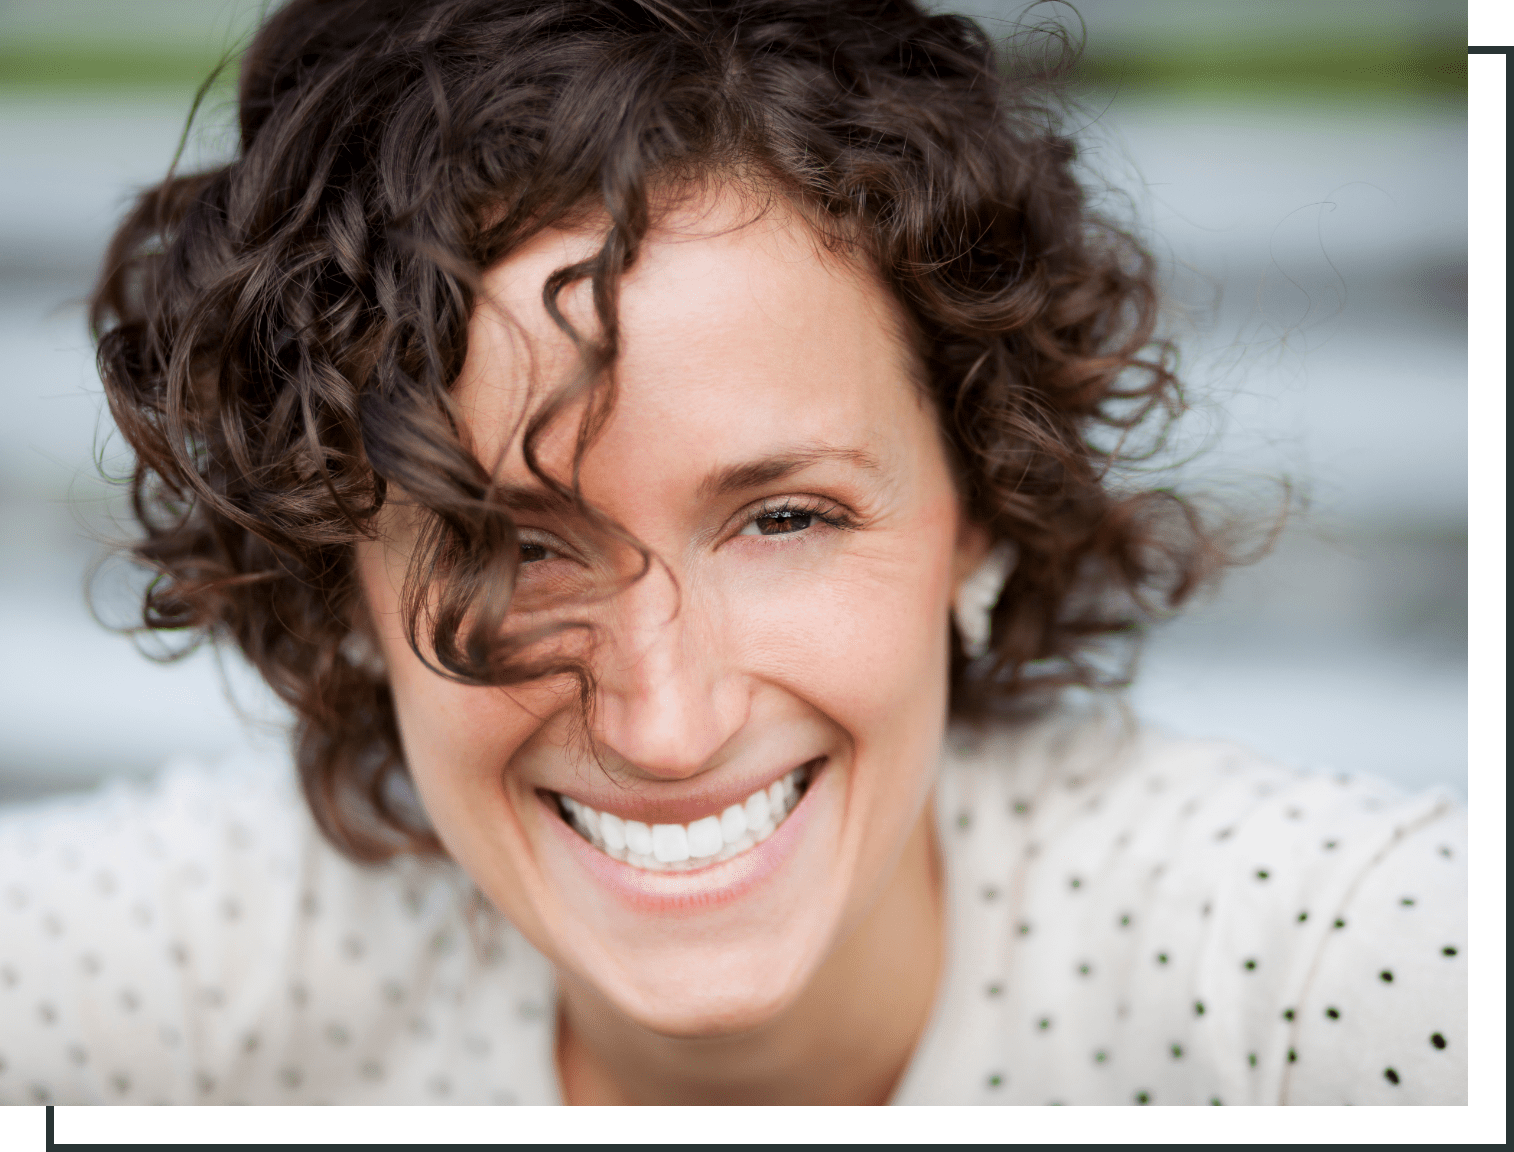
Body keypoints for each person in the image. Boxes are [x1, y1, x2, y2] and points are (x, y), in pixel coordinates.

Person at [0, 0, 1464, 1107]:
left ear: (980, 513)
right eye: (515, 545)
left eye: (785, 519)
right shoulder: (200, 969)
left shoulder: (1324, 971)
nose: (666, 717)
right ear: (335, 584)